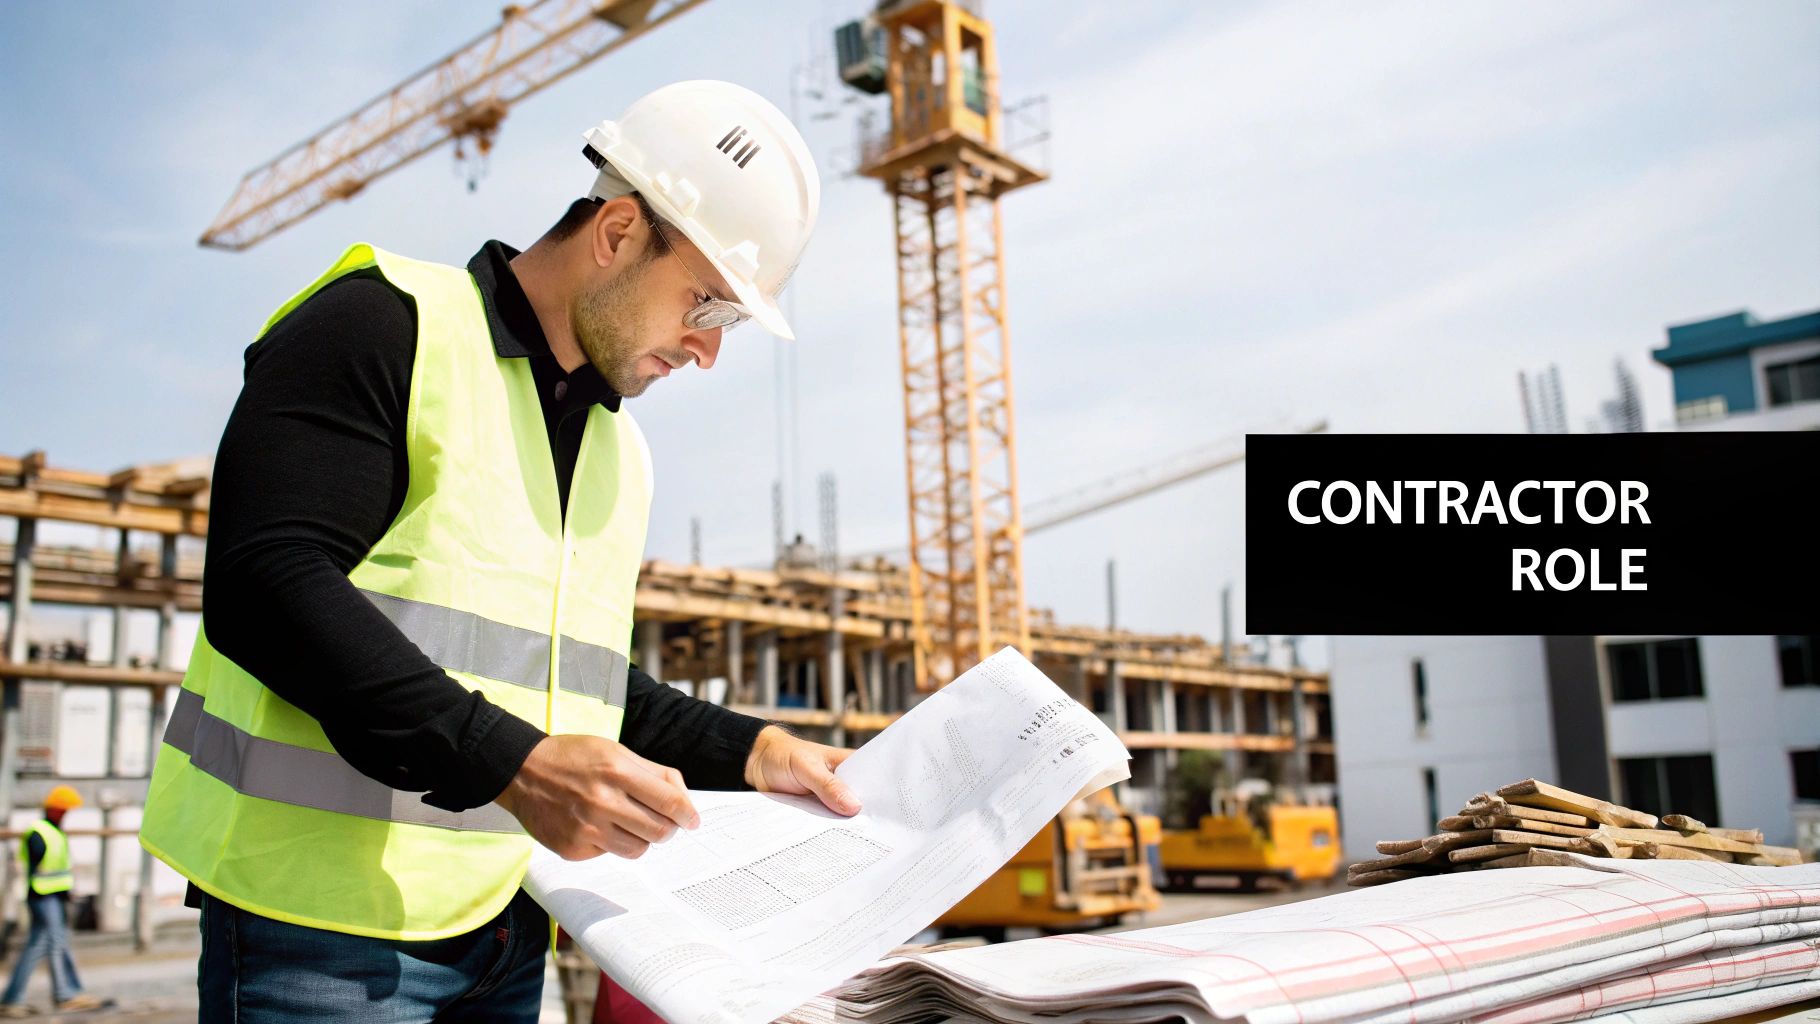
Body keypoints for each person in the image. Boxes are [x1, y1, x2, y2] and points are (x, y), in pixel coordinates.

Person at [139, 80, 858, 1022]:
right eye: (708, 306)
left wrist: (755, 750)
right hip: (319, 936)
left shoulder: (616, 450)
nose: (707, 350)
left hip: (513, 929)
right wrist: (514, 765)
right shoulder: (384, 326)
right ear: (618, 231)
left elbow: (581, 687)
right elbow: (265, 584)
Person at [1, 786, 103, 1016]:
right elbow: (36, 869)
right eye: (63, 810)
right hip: (43, 897)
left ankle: (15, 997)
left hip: (53, 897)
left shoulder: (53, 830)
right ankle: (65, 994)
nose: (65, 814)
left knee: (42, 946)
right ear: (54, 809)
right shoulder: (39, 832)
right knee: (53, 944)